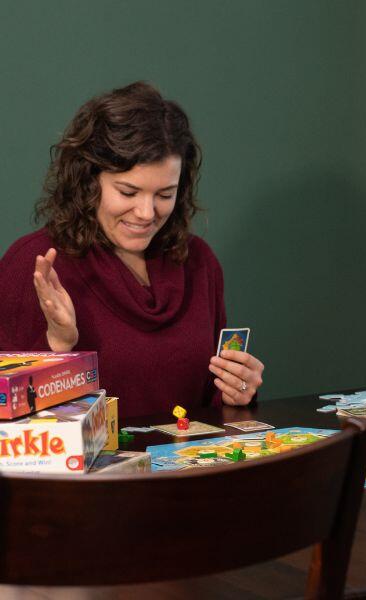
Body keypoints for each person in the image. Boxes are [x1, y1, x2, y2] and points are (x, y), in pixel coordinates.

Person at [0, 82, 264, 418]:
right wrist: (57, 345)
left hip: (187, 469)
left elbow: (210, 404)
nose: (146, 213)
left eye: (164, 195)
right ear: (88, 180)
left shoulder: (198, 262)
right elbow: (9, 421)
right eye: (128, 192)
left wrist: (237, 392)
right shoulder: (34, 264)